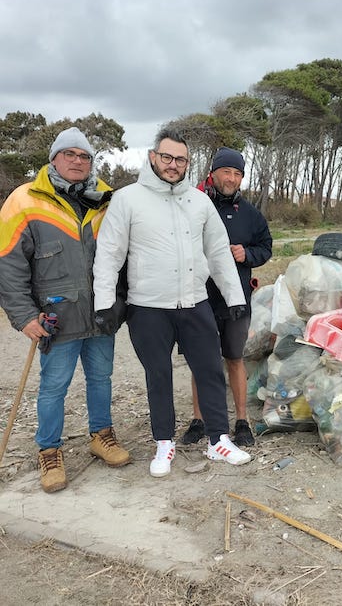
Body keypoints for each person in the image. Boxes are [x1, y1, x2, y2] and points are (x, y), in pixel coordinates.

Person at [93, 128, 251, 478]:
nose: (173, 164)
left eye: (180, 159)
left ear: (188, 164)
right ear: (153, 157)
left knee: (210, 370)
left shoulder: (199, 202)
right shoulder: (128, 199)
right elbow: (109, 255)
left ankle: (218, 440)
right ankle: (164, 442)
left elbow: (218, 253)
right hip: (148, 307)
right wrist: (104, 303)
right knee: (158, 374)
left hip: (195, 304)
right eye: (167, 157)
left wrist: (234, 297)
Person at [0, 127, 130, 493]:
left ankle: (101, 434)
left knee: (101, 378)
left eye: (84, 156)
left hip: (101, 313)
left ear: (92, 163)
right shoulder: (24, 200)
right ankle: (49, 451)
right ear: (54, 158)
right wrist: (24, 316)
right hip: (55, 317)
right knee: (54, 386)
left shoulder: (105, 200)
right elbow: (8, 264)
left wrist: (121, 303)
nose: (77, 161)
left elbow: (125, 256)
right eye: (69, 154)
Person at [181, 147, 272, 447]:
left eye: (237, 174)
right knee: (201, 360)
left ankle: (242, 421)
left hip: (236, 301)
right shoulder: (193, 204)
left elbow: (266, 246)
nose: (231, 178)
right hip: (198, 297)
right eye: (226, 172)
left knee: (234, 358)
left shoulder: (250, 214)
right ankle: (199, 420)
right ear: (213, 173)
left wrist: (246, 253)